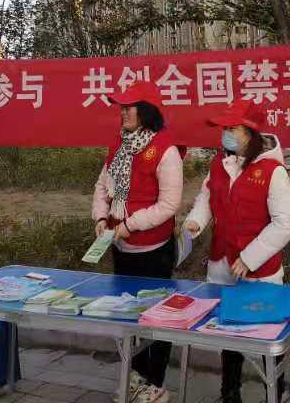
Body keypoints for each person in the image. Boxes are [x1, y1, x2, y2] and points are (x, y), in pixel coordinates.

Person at [183, 100, 290, 403]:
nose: (225, 133)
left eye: (232, 128)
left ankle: (277, 391)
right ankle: (230, 393)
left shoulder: (272, 170)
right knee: (227, 331)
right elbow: (206, 198)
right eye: (225, 128)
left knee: (267, 334)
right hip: (222, 263)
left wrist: (249, 257)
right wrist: (195, 221)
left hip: (260, 270)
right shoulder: (219, 163)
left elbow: (285, 224)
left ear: (250, 132)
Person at [91, 81, 183, 403]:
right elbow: (102, 185)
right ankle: (136, 376)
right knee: (129, 314)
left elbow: (169, 205)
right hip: (122, 248)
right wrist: (101, 217)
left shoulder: (166, 149)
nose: (124, 112)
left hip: (154, 252)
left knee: (156, 317)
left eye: (130, 107)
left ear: (147, 111)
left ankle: (155, 383)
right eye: (122, 107)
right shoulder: (119, 143)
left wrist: (131, 224)